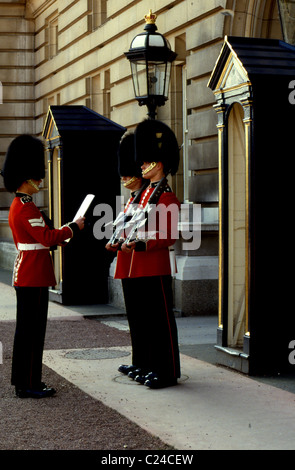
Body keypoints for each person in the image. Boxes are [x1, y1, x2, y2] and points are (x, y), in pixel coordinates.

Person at [1, 134, 85, 398]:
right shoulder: (25, 207)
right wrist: (73, 228)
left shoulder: (23, 205)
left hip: (30, 272)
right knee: (31, 333)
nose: (40, 181)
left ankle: (25, 382)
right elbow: (47, 238)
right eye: (37, 177)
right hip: (32, 275)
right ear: (26, 178)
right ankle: (29, 384)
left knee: (29, 332)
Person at [116, 119, 181, 389]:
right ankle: (145, 363)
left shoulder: (166, 197)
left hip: (153, 264)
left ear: (159, 162)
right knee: (141, 319)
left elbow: (167, 235)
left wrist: (141, 244)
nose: (141, 166)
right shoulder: (144, 196)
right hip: (137, 264)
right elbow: (130, 225)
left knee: (159, 322)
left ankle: (166, 370)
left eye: (146, 161)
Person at [106, 132, 149, 377]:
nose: (124, 177)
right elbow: (125, 227)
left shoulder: (148, 196)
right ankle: (139, 360)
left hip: (141, 263)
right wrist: (116, 242)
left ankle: (147, 363)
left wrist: (128, 242)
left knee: (144, 319)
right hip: (129, 263)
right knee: (135, 319)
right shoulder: (134, 198)